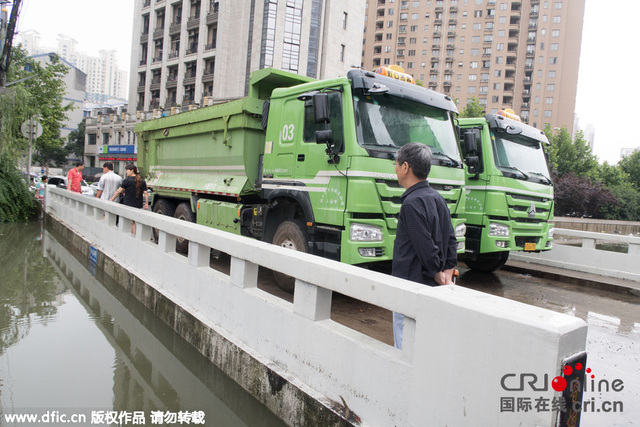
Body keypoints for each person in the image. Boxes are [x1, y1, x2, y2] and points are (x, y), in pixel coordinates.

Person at [392, 143, 458, 349]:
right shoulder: (437, 198)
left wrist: (437, 272)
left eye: (396, 164)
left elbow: (426, 249)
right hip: (434, 289)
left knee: (406, 346)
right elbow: (451, 238)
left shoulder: (411, 203)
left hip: (410, 288)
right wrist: (447, 271)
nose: (395, 169)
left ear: (405, 167)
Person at [110, 164, 149, 234]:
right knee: (134, 221)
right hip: (138, 205)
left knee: (129, 221)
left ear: (132, 170)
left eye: (127, 170)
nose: (126, 172)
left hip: (128, 204)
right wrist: (146, 204)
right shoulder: (141, 181)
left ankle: (131, 235)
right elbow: (145, 193)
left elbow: (119, 191)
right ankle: (134, 234)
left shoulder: (127, 181)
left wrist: (111, 200)